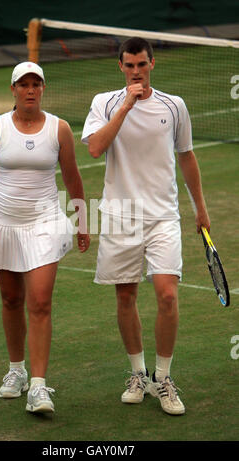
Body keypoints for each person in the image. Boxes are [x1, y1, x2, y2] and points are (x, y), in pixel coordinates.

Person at [82, 37, 210, 415]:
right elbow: (94, 148)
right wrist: (126, 105)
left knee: (167, 295)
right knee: (125, 297)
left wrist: (199, 208)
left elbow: (186, 156)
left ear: (153, 63)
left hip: (163, 217)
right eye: (129, 65)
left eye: (142, 64)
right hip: (120, 216)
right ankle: (138, 374)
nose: (136, 71)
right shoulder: (104, 103)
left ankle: (163, 378)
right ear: (119, 67)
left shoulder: (175, 106)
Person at [0, 61, 90, 415]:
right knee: (11, 300)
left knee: (40, 301)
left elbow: (73, 177)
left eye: (36, 84)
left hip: (45, 223)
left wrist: (83, 219)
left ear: (43, 89)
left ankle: (39, 388)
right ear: (12, 89)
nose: (30, 90)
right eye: (23, 84)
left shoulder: (59, 129)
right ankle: (16, 370)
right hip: (3, 223)